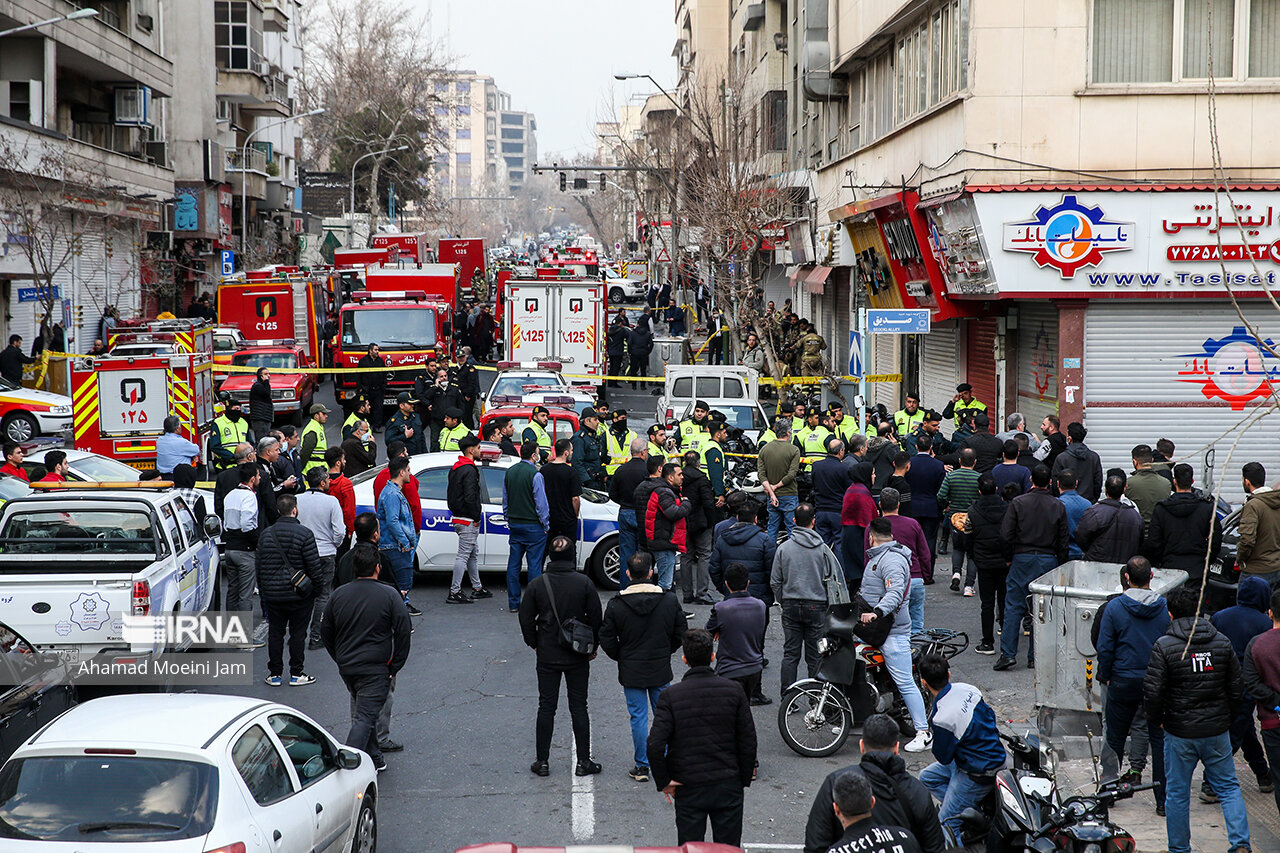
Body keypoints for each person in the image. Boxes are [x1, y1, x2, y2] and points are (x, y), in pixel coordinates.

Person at [1145, 587, 1251, 853]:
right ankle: (1240, 843)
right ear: (1200, 611)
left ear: (1170, 614)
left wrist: (1158, 719)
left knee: (1178, 794)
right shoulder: (1222, 642)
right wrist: (1227, 717)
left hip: (1180, 732)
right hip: (1216, 730)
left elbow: (1153, 692)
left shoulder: (1165, 646)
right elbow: (1237, 687)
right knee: (1228, 787)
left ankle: (1179, 849)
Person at [646, 628, 757, 847]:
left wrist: (665, 781)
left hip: (689, 786)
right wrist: (741, 779)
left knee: (690, 847)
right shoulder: (734, 691)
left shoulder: (671, 696)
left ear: (685, 659)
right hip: (728, 783)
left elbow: (654, 744)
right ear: (713, 657)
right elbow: (748, 740)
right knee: (728, 849)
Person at [519, 535, 604, 778]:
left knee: (546, 707)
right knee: (579, 706)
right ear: (571, 556)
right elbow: (597, 619)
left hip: (547, 653)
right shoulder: (584, 583)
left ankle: (542, 761)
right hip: (577, 654)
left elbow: (525, 618)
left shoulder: (538, 584)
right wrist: (592, 646)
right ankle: (584, 761)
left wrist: (534, 643)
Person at [321, 546, 411, 773]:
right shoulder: (390, 595)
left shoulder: (338, 595)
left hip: (348, 667)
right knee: (364, 717)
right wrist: (395, 665)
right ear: (378, 568)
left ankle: (376, 758)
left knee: (366, 711)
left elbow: (326, 632)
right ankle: (344, 767)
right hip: (376, 668)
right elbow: (403, 631)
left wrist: (339, 658)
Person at [600, 552, 687, 783]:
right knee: (663, 715)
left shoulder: (617, 604)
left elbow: (607, 638)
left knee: (638, 717)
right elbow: (680, 632)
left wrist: (622, 656)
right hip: (659, 666)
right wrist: (666, 651)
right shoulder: (668, 601)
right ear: (651, 572)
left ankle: (642, 765)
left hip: (631, 669)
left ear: (628, 574)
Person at [804, 713, 946, 853]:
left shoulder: (837, 783)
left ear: (861, 746)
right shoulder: (917, 792)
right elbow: (934, 847)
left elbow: (815, 845)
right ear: (896, 748)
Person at [1095, 557, 1170, 799]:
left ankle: (1108, 793)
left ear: (1126, 578)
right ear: (1151, 577)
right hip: (1154, 683)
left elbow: (1105, 647)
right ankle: (1162, 799)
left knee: (1114, 737)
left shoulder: (1115, 608)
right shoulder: (1163, 608)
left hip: (1122, 680)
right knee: (1158, 740)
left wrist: (1106, 675)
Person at [861, 517, 931, 751]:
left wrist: (876, 612)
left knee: (905, 682)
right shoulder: (880, 557)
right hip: (876, 631)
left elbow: (895, 592)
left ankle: (923, 732)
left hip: (891, 631)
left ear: (871, 537)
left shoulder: (890, 560)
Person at [918, 653, 1007, 834]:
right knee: (927, 777)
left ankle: (959, 818)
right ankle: (968, 809)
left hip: (978, 770)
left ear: (923, 683)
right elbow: (989, 716)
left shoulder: (944, 718)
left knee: (946, 824)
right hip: (989, 755)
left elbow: (943, 757)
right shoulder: (969, 689)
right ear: (949, 675)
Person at [994, 464, 1068, 671]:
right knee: (1042, 609)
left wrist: (1008, 557)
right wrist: (1060, 565)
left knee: (1014, 606)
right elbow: (1063, 540)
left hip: (1022, 557)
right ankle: (1035, 655)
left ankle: (1008, 654)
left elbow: (1005, 535)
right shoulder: (1057, 505)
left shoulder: (1018, 503)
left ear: (1031, 481)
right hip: (1048, 559)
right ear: (1050, 483)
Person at [1208, 576, 1275, 803]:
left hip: (1220, 681)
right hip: (1246, 685)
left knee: (1244, 730)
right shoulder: (1264, 623)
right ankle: (1210, 783)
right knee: (1235, 734)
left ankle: (1263, 775)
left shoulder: (1220, 616)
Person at [772, 503, 848, 701]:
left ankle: (788, 699)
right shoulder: (823, 549)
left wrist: (783, 599)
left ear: (794, 521)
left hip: (790, 603)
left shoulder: (784, 548)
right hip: (816, 605)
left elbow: (775, 581)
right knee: (815, 654)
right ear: (813, 521)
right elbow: (833, 580)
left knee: (790, 653)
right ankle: (816, 699)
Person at [256, 494, 321, 686]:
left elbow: (259, 566)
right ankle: (296, 673)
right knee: (298, 633)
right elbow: (314, 567)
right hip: (299, 594)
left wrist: (264, 590)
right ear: (295, 510)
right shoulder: (305, 534)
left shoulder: (266, 534)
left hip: (274, 595)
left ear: (278, 511)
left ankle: (275, 674)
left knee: (275, 633)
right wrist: (315, 590)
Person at [1145, 463, 1224, 588]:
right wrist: (1206, 560)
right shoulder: (1206, 508)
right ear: (1192, 481)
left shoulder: (1162, 509)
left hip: (1169, 569)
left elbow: (1154, 542)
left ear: (1174, 482)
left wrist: (1161, 561)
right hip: (1198, 568)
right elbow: (1215, 540)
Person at [706, 562, 770, 706]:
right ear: (748, 583)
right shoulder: (760, 606)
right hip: (754, 667)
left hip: (729, 669)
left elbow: (707, 634)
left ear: (727, 584)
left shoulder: (721, 609)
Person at [296, 467, 345, 650]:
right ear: (322, 482)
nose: (330, 481)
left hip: (302, 554)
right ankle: (316, 637)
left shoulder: (298, 500)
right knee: (323, 595)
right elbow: (339, 531)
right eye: (327, 479)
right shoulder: (331, 502)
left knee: (301, 594)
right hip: (325, 553)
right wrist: (334, 544)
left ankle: (297, 635)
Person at [871, 488, 933, 633]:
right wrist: (925, 575)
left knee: (885, 627)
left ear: (879, 504)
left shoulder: (873, 527)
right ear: (898, 504)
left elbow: (869, 557)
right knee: (916, 626)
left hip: (885, 580)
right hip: (914, 577)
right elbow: (925, 554)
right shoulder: (912, 524)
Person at [1242, 588, 1280, 815]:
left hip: (1272, 722)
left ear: (1269, 613)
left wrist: (1276, 703)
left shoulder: (1257, 645)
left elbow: (1252, 682)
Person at [965, 474, 1011, 655]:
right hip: (1004, 561)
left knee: (987, 603)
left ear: (979, 491)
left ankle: (987, 642)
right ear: (996, 489)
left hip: (983, 562)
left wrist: (973, 555)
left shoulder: (973, 511)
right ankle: (1006, 638)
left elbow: (967, 536)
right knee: (1005, 601)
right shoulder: (1007, 509)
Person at [445, 434, 492, 604]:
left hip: (458, 516)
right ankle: (454, 591)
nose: (480, 451)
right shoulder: (470, 470)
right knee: (464, 555)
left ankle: (477, 587)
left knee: (472, 553)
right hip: (467, 519)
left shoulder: (456, 468)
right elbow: (471, 497)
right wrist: (476, 516)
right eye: (479, 448)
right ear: (471, 450)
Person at [504, 441, 550, 610]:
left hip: (515, 525)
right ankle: (533, 604)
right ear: (533, 455)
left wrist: (508, 518)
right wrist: (545, 524)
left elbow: (505, 500)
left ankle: (513, 602)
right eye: (538, 453)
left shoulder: (510, 472)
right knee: (534, 566)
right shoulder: (535, 474)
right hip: (533, 526)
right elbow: (541, 504)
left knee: (513, 565)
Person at [710, 501, 776, 610]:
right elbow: (772, 571)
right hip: (760, 598)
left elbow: (714, 568)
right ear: (755, 519)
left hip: (731, 595)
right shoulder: (765, 540)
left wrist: (725, 587)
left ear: (737, 517)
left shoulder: (722, 539)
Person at [377, 456, 420, 616]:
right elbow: (392, 521)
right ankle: (398, 621)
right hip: (395, 547)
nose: (410, 474)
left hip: (395, 545)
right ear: (401, 473)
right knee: (401, 587)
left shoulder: (393, 492)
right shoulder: (392, 495)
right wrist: (404, 541)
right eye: (408, 471)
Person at [937, 448, 981, 593]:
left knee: (957, 548)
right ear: (975, 462)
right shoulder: (978, 478)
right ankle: (969, 586)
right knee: (972, 552)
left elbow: (941, 496)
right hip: (973, 519)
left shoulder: (951, 477)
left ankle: (956, 573)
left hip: (955, 518)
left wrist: (947, 506)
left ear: (959, 461)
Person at [223, 462, 261, 625]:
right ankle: (244, 636)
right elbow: (247, 524)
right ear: (252, 479)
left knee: (232, 591)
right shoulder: (249, 496)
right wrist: (256, 541)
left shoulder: (230, 494)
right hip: (244, 550)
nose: (259, 478)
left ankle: (232, 632)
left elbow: (225, 523)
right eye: (258, 476)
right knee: (245, 595)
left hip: (230, 548)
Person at [1075, 474, 1145, 563]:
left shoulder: (1094, 512)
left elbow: (1081, 537)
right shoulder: (1135, 516)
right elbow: (1139, 541)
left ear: (1105, 490)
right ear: (1124, 489)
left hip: (1097, 564)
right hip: (1123, 565)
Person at [610, 437, 651, 587]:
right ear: (643, 452)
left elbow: (612, 494)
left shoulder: (621, 470)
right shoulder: (647, 471)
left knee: (626, 554)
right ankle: (643, 587)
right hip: (643, 513)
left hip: (625, 512)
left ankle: (626, 588)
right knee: (643, 554)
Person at [644, 463, 690, 592]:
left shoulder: (666, 491)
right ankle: (665, 610)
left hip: (663, 541)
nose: (682, 477)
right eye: (679, 474)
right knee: (665, 584)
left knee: (666, 582)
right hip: (663, 543)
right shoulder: (664, 492)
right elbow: (674, 513)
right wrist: (686, 503)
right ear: (670, 477)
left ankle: (670, 610)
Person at [679, 450, 717, 605]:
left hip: (683, 520)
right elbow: (708, 503)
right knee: (704, 555)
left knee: (685, 557)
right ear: (699, 463)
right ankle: (702, 593)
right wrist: (712, 521)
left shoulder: (678, 478)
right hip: (701, 522)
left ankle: (687, 594)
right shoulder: (702, 479)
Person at [1237, 461, 1280, 587]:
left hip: (1255, 571)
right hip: (1276, 568)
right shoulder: (1275, 501)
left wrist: (1241, 558)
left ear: (1247, 481)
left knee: (1248, 606)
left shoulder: (1253, 505)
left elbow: (1247, 540)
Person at [758, 418, 801, 544]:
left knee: (772, 527)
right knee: (791, 528)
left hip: (772, 496)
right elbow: (791, 474)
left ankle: (770, 557)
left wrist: (771, 491)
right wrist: (776, 486)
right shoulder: (794, 450)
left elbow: (761, 474)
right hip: (789, 494)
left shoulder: (765, 449)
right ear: (788, 432)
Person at [904, 436, 946, 563]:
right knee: (930, 540)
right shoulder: (938, 465)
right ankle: (928, 573)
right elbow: (941, 489)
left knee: (912, 540)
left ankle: (913, 570)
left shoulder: (909, 464)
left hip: (913, 507)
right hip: (931, 507)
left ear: (916, 447)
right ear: (931, 447)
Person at [840, 462, 878, 592]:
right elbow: (867, 519)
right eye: (872, 473)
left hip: (851, 533)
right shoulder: (861, 492)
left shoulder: (854, 488)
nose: (874, 476)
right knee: (859, 573)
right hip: (858, 536)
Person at [812, 439, 853, 552]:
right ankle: (838, 569)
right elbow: (848, 490)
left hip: (821, 510)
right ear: (841, 451)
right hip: (837, 511)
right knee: (839, 544)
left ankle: (823, 568)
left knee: (822, 544)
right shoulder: (843, 468)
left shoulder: (816, 466)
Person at [1052, 422, 1103, 503]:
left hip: (1066, 503)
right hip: (1089, 502)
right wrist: (1093, 500)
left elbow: (1055, 483)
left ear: (1070, 438)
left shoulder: (1062, 458)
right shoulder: (1094, 457)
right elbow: (1098, 482)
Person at [543, 438, 582, 542]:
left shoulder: (544, 470)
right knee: (568, 549)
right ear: (566, 453)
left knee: (547, 548)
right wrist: (575, 515)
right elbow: (575, 499)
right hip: (567, 519)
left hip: (549, 518)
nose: (572, 453)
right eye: (572, 450)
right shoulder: (571, 472)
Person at [1127, 444, 1172, 534]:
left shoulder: (1128, 484)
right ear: (1152, 460)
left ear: (1135, 462)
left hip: (1136, 534)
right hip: (1158, 535)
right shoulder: (1166, 484)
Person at [1056, 470, 1092, 559]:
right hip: (1082, 554)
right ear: (1076, 483)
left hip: (1062, 553)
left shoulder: (1056, 504)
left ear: (1058, 484)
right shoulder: (1087, 504)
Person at [326, 447, 356, 549]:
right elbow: (349, 510)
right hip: (342, 527)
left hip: (326, 527)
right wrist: (351, 529)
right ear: (338, 463)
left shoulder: (324, 482)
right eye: (343, 459)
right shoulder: (345, 483)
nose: (345, 461)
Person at [570, 409, 605, 487]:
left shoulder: (592, 436)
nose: (598, 422)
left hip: (597, 479)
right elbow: (577, 463)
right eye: (595, 419)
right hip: (588, 482)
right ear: (587, 421)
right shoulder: (579, 439)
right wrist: (587, 481)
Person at [357, 344, 386, 430]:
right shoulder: (363, 361)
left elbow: (384, 374)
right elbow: (359, 375)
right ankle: (367, 426)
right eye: (375, 350)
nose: (377, 352)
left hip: (378, 390)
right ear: (370, 351)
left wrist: (383, 386)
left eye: (378, 350)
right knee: (367, 409)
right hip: (367, 390)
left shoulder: (380, 361)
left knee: (379, 409)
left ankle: (377, 427)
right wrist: (360, 388)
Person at [298, 403, 330, 478]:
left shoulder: (317, 427)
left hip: (318, 469)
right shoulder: (312, 430)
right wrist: (300, 470)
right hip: (313, 470)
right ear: (316, 416)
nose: (326, 416)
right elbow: (306, 452)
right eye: (323, 414)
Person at [605, 409, 638, 476]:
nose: (624, 420)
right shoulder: (606, 435)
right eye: (622, 418)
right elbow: (602, 457)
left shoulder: (632, 435)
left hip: (629, 472)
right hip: (611, 474)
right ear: (615, 420)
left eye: (625, 418)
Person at [248, 367, 274, 441]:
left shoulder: (262, 385)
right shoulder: (258, 386)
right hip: (260, 418)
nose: (268, 376)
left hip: (265, 417)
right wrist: (266, 382)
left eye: (269, 374)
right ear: (260, 376)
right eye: (265, 374)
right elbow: (266, 393)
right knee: (262, 441)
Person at [628, 316, 654, 388]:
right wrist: (648, 351)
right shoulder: (647, 333)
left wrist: (630, 351)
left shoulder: (633, 333)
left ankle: (634, 385)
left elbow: (629, 343)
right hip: (643, 352)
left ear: (638, 324)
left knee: (634, 369)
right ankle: (643, 385)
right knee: (643, 369)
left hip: (634, 352)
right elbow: (651, 344)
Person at [607, 316, 630, 386]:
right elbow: (628, 336)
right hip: (618, 351)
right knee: (616, 368)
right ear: (620, 323)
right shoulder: (621, 331)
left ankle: (610, 382)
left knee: (611, 367)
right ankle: (614, 383)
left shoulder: (610, 329)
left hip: (611, 351)